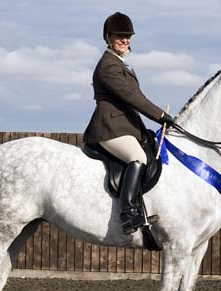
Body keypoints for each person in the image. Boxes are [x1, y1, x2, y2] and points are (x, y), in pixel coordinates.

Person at [84, 12, 175, 234]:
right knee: (138, 157)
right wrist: (161, 116)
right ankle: (128, 214)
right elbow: (133, 98)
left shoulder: (121, 64)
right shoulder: (108, 66)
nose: (125, 40)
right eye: (119, 36)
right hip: (109, 128)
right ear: (108, 37)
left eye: (128, 36)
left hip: (124, 126)